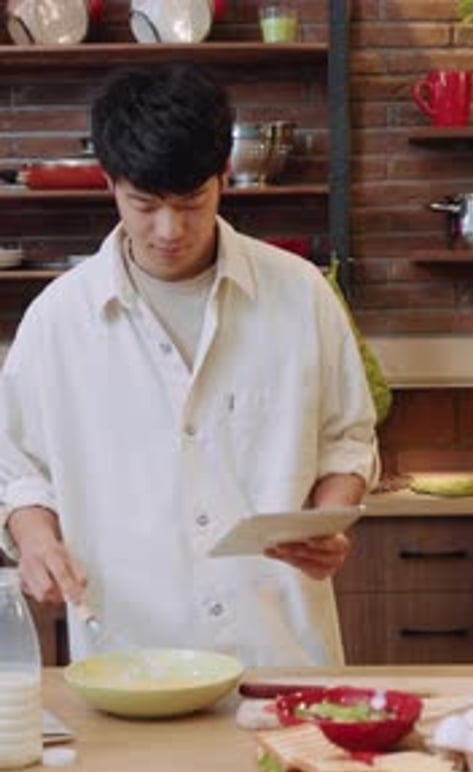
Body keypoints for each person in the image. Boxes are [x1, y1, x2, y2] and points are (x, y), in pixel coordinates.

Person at [0, 62, 379, 667]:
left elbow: (347, 437)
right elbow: (18, 468)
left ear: (224, 177)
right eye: (144, 204)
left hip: (281, 655)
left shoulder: (301, 294)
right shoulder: (58, 321)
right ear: (110, 184)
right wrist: (37, 539)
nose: (169, 230)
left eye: (192, 201)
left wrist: (329, 518)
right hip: (128, 661)